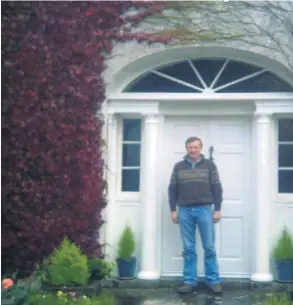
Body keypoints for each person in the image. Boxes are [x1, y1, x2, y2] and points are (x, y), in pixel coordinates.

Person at [168, 136, 223, 295]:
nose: (193, 150)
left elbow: (217, 188)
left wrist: (217, 209)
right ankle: (189, 281)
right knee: (189, 248)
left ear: (201, 148)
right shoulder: (178, 167)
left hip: (205, 209)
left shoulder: (210, 165)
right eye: (190, 147)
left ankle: (213, 281)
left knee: (209, 247)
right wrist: (173, 210)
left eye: (195, 147)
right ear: (186, 148)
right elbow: (172, 189)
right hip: (184, 210)